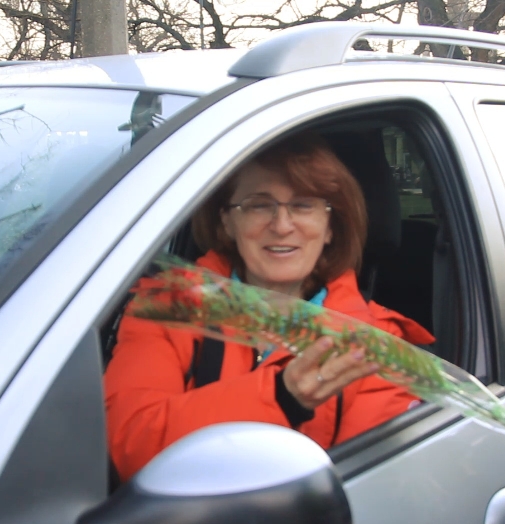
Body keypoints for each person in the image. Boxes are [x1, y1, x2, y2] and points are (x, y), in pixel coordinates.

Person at [103, 132, 435, 482]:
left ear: (330, 228)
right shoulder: (167, 307)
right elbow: (132, 445)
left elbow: (362, 490)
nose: (281, 226)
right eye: (259, 205)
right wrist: (280, 397)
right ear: (227, 223)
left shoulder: (374, 341)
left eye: (304, 205)